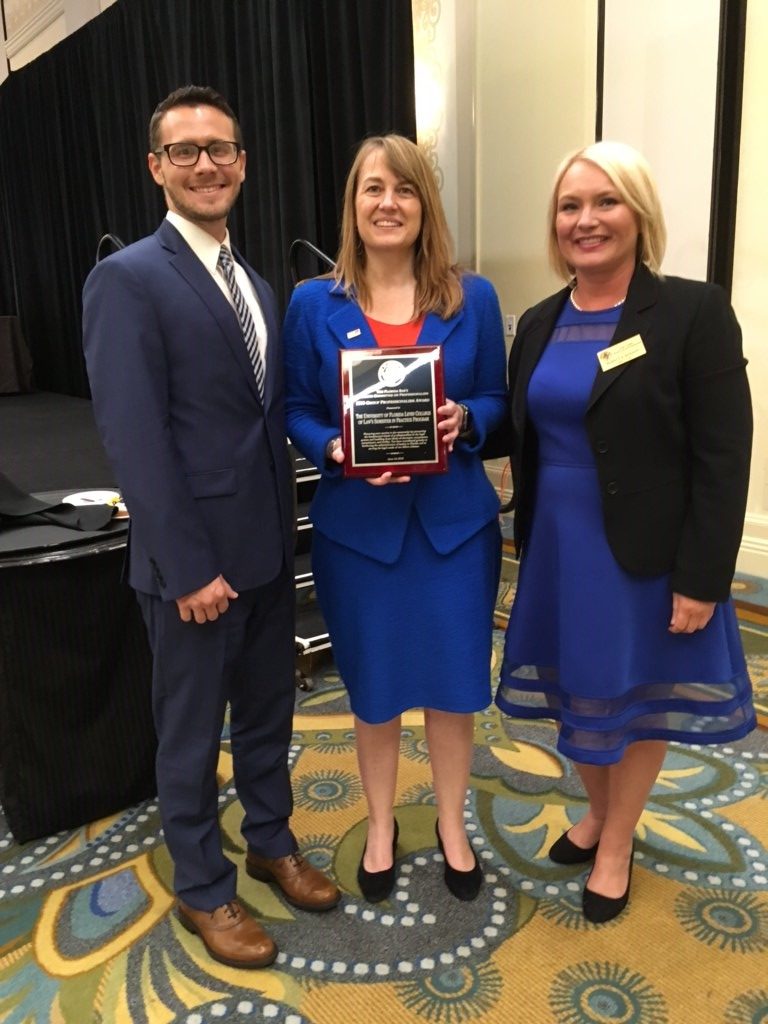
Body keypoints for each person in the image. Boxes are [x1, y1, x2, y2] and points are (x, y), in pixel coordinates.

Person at [82, 85, 339, 970]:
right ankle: (202, 888)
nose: (205, 164)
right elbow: (134, 440)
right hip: (191, 573)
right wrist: (189, 568)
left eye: (220, 149)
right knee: (191, 738)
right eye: (185, 151)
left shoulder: (257, 282)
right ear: (157, 167)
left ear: (242, 162)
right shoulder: (127, 279)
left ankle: (271, 840)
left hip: (267, 556)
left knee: (269, 718)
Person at [495, 140, 755, 923]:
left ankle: (616, 843)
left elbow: (723, 454)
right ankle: (601, 813)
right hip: (558, 549)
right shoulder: (539, 322)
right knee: (577, 692)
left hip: (642, 553)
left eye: (605, 202)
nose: (587, 220)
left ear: (639, 214)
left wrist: (703, 576)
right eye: (571, 206)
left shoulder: (691, 312)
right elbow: (521, 431)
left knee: (633, 699)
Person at [283, 134, 507, 903]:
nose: (388, 203)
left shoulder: (471, 297)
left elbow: (498, 402)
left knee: (452, 688)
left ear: (424, 205)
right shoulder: (315, 303)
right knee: (373, 690)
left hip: (454, 531)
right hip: (359, 535)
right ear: (354, 203)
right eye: (373, 188)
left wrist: (463, 419)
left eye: (405, 189)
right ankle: (380, 825)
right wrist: (335, 449)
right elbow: (297, 409)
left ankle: (450, 822)